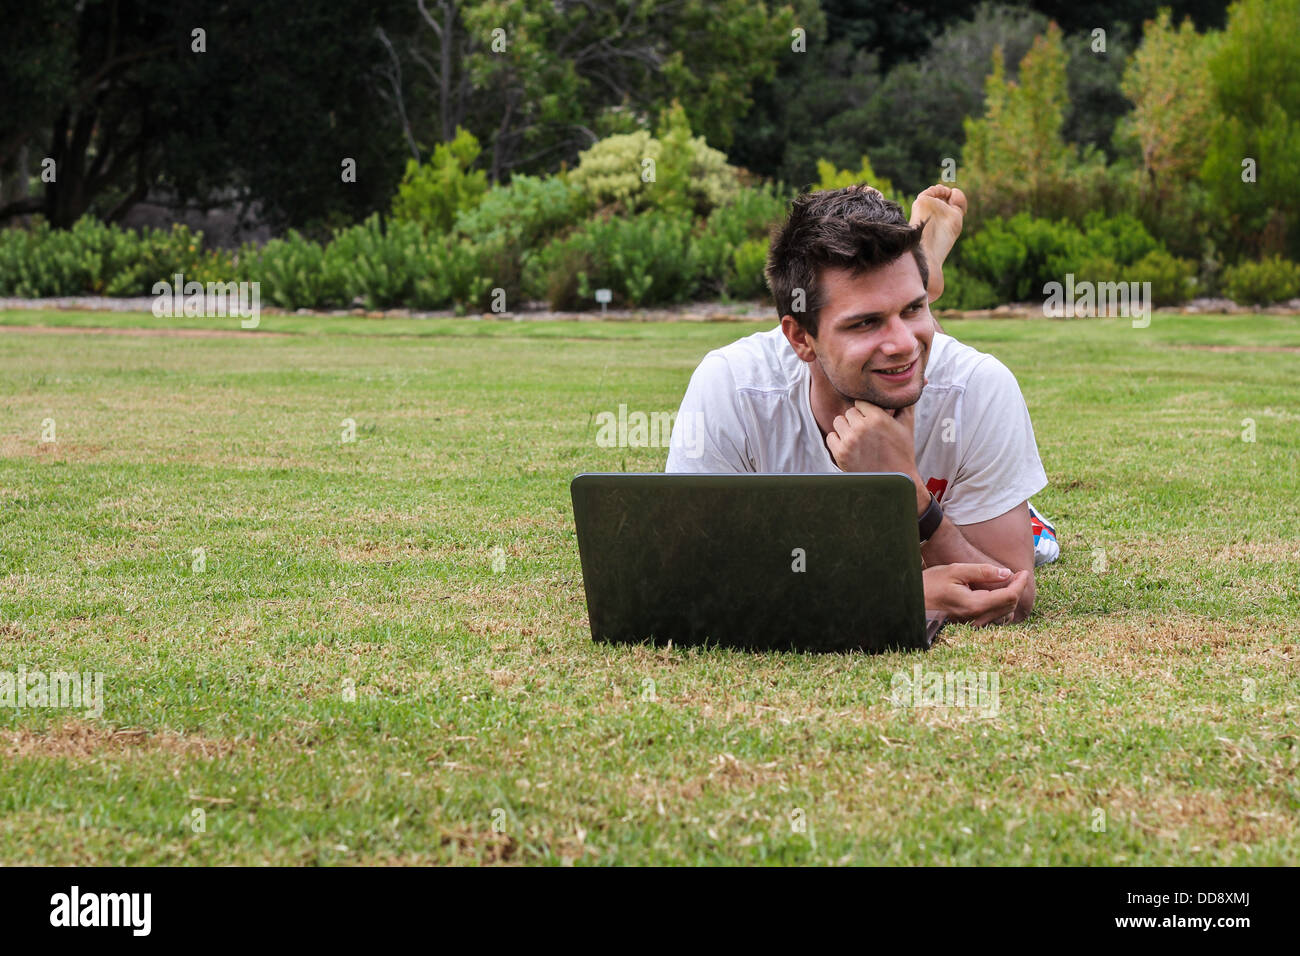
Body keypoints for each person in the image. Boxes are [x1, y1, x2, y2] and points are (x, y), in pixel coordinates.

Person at [665, 184, 1057, 626]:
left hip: (961, 499)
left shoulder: (980, 386)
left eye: (914, 307)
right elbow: (688, 582)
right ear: (799, 338)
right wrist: (895, 592)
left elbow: (1013, 600)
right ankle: (919, 272)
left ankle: (916, 274)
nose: (904, 343)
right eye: (865, 321)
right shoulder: (733, 387)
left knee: (1037, 541)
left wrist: (912, 494)